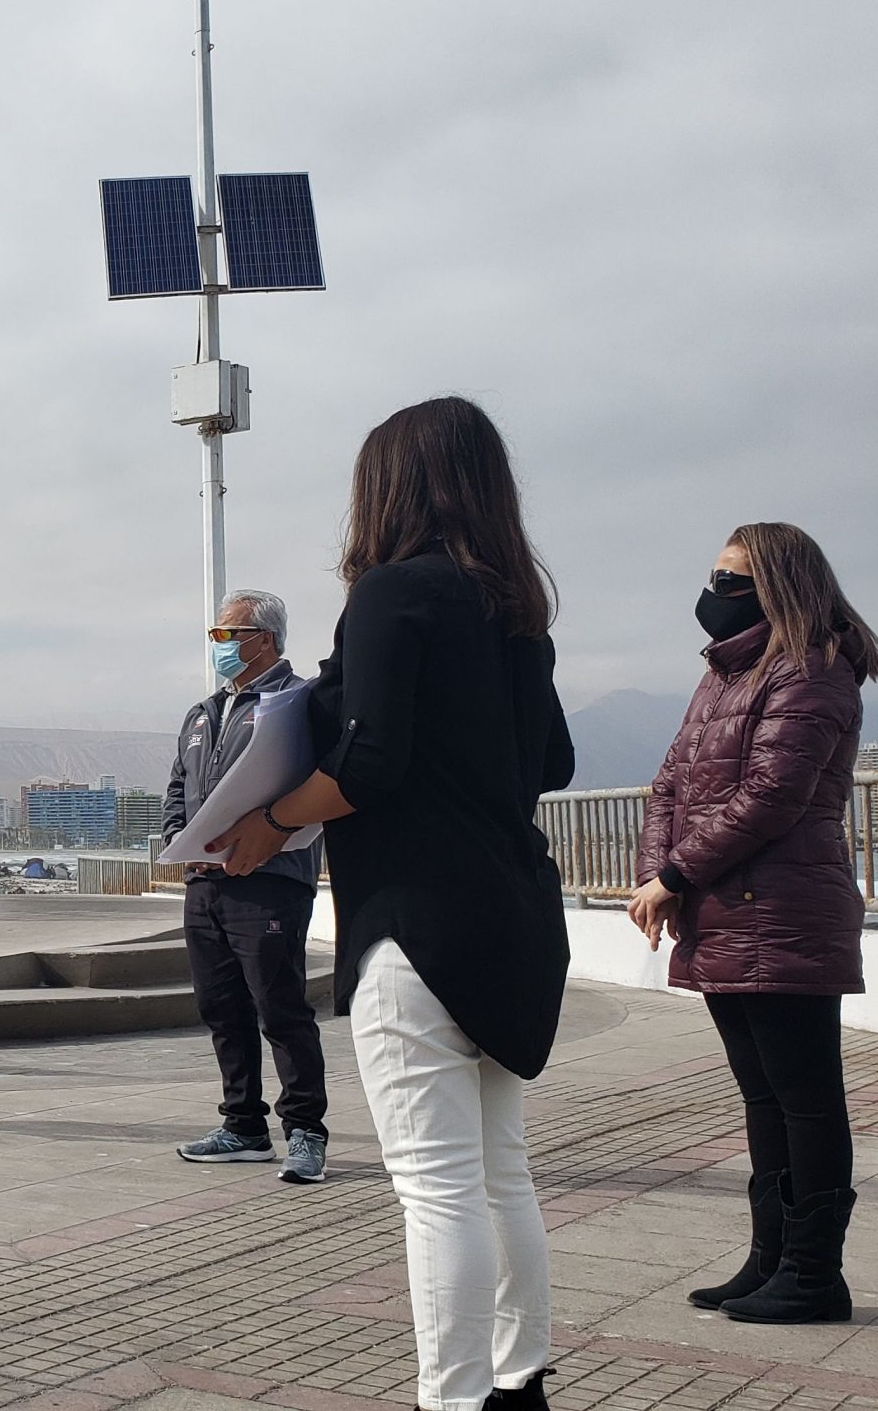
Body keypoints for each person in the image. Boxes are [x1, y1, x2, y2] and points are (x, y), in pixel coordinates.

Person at [211, 398, 573, 1411]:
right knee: (501, 1173)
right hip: (513, 920)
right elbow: (553, 760)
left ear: (390, 486)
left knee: (436, 1188)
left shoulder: (391, 593)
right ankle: (519, 1383)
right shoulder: (518, 614)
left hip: (416, 925)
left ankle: (450, 1399)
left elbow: (367, 764)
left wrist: (269, 820)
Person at [629, 523, 877, 1325]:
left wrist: (676, 875)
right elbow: (669, 785)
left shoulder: (813, 669)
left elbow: (774, 794)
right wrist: (657, 878)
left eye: (732, 579)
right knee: (765, 1097)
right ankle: (771, 1259)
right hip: (725, 912)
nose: (715, 593)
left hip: (784, 911)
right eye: (714, 576)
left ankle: (814, 1275)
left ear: (778, 585)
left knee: (806, 1099)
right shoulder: (723, 673)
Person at [161, 589, 329, 1184]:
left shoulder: (298, 702)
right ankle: (244, 1127)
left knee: (280, 1008)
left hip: (270, 882)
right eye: (216, 635)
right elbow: (179, 785)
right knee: (222, 1008)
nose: (219, 646)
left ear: (267, 640)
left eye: (229, 635)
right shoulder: (202, 712)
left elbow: (317, 783)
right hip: (205, 884)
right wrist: (179, 839)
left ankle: (306, 1131)